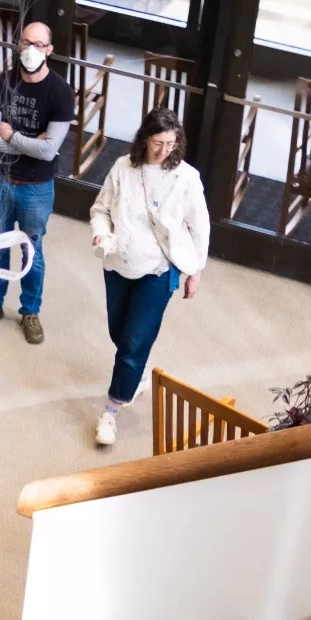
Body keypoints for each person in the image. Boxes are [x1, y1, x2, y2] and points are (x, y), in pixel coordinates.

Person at [89, 107, 210, 448]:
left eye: (171, 143)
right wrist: (101, 234)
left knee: (131, 344)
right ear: (144, 139)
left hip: (159, 270)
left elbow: (200, 227)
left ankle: (111, 411)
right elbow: (100, 209)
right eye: (158, 142)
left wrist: (195, 271)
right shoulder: (123, 169)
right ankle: (138, 371)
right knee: (120, 333)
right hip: (119, 262)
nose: (164, 151)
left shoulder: (187, 179)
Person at [0, 18, 76, 345]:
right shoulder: (1, 83)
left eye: (38, 45)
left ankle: (30, 311)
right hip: (0, 180)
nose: (30, 50)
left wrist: (11, 133)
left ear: (49, 51)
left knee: (32, 251)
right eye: (25, 43)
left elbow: (49, 150)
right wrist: (32, 143)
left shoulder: (60, 93)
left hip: (37, 189)